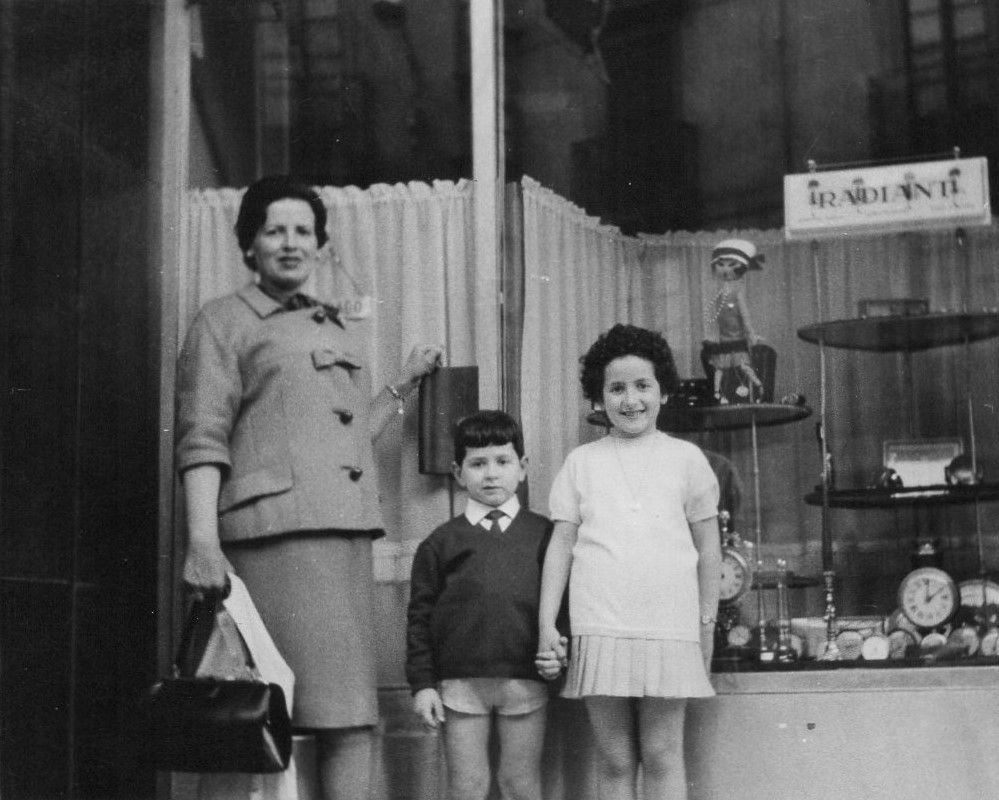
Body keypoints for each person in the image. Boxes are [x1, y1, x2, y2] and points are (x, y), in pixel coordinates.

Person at [175, 175, 443, 800]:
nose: (290, 243)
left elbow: (350, 438)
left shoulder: (333, 326)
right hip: (270, 546)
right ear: (250, 245)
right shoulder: (222, 321)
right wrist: (202, 543)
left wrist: (403, 382)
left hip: (345, 541)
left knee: (351, 719)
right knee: (248, 715)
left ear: (320, 246)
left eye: (303, 231)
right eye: (275, 230)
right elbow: (201, 438)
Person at [536, 323, 722, 800]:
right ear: (599, 397)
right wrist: (545, 625)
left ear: (663, 391)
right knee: (616, 760)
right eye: (616, 388)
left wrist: (706, 625)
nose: (630, 399)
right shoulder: (581, 463)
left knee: (662, 754)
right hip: (601, 625)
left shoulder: (688, 459)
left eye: (643, 385)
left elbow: (709, 550)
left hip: (669, 626)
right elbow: (561, 546)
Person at [406, 410, 554, 800]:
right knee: (467, 786)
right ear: (458, 473)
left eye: (502, 461)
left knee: (520, 784)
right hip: (460, 686)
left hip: (524, 677)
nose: (491, 474)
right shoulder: (439, 543)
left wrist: (559, 652)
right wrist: (422, 685)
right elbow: (419, 619)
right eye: (478, 463)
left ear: (522, 468)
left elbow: (563, 606)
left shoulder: (545, 535)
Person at [702, 238, 765, 403]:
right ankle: (717, 393)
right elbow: (715, 320)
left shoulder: (737, 291)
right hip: (724, 339)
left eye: (731, 265)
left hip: (736, 339)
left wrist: (751, 334)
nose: (725, 269)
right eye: (721, 264)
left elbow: (744, 315)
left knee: (742, 366)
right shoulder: (719, 294)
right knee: (719, 368)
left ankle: (758, 386)